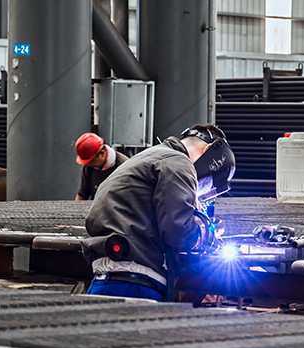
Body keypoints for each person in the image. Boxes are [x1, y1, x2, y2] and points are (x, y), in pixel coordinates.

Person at [81, 123, 236, 302]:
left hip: (103, 282)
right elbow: (178, 232)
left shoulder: (146, 158)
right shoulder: (178, 162)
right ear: (207, 149)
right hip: (136, 287)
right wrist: (208, 233)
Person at [74, 132, 129, 200]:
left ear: (102, 153)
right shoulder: (88, 168)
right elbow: (82, 193)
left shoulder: (124, 167)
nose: (88, 164)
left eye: (91, 161)